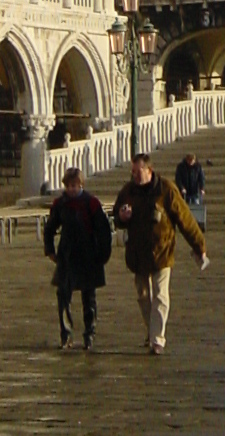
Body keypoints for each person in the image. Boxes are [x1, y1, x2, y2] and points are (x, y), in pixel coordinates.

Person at [113, 152, 207, 355]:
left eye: (139, 172)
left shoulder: (166, 189)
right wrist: (122, 217)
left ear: (150, 170)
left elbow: (185, 219)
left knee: (160, 295)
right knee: (143, 296)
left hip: (162, 252)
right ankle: (152, 329)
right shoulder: (128, 191)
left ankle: (157, 340)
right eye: (133, 172)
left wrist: (199, 245)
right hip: (138, 254)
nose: (136, 177)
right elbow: (117, 215)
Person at [43, 165, 113, 351]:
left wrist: (103, 254)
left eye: (75, 185)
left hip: (88, 255)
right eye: (69, 186)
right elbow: (50, 228)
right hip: (67, 255)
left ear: (81, 184)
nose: (72, 189)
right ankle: (66, 335)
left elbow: (103, 230)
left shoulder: (91, 203)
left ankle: (89, 335)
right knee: (63, 296)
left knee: (89, 298)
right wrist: (50, 250)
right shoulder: (60, 204)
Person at [174, 153, 206, 230]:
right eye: (190, 161)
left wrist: (202, 188)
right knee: (185, 207)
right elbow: (178, 179)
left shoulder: (198, 167)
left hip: (195, 191)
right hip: (184, 191)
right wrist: (181, 188)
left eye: (192, 161)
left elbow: (201, 178)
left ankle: (196, 222)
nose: (191, 163)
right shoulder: (181, 167)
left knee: (196, 206)